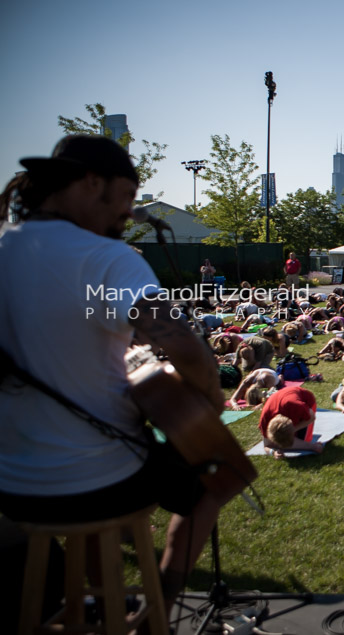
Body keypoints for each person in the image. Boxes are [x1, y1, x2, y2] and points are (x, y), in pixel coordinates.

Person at [0, 135, 232, 613]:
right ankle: (161, 601)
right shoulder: (107, 259)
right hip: (98, 480)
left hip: (11, 489)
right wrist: (209, 401)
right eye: (126, 197)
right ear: (91, 183)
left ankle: (89, 601)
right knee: (222, 473)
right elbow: (181, 343)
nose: (129, 214)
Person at [258, 387, 324, 457]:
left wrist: (313, 447)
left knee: (303, 441)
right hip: (284, 399)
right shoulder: (265, 419)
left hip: (305, 399)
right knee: (280, 442)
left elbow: (312, 417)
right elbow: (267, 444)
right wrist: (273, 452)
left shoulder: (296, 405)